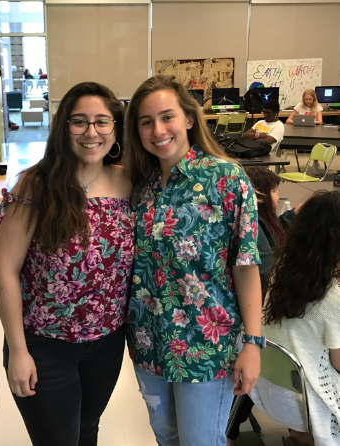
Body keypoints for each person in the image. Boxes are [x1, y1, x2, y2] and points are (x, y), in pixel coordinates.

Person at [124, 74, 263, 446]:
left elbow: (246, 266)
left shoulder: (227, 179)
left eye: (167, 117)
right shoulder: (141, 189)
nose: (158, 130)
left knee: (201, 441)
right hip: (147, 343)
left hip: (205, 346)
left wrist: (253, 342)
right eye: (146, 121)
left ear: (188, 118)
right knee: (167, 438)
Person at [0, 81, 134, 446]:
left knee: (87, 430)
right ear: (63, 128)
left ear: (115, 129)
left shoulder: (127, 182)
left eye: (102, 122)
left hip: (106, 344)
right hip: (44, 345)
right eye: (79, 122)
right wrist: (18, 351)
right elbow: (5, 270)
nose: (91, 132)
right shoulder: (36, 186)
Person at [226, 166, 301, 445]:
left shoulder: (263, 222)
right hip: (258, 319)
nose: (278, 194)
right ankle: (229, 431)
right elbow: (269, 271)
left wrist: (292, 217)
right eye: (274, 189)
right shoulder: (254, 228)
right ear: (259, 195)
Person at [258, 191, 340, 446]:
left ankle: (299, 437)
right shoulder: (332, 298)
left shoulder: (280, 272)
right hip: (306, 403)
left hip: (269, 391)